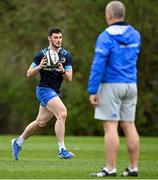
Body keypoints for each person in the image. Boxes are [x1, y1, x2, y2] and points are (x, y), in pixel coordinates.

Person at [88, 1, 141, 177]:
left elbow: (98, 65)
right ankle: (133, 168)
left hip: (111, 84)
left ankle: (110, 168)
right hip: (131, 85)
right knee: (129, 125)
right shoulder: (135, 35)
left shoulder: (105, 36)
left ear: (109, 15)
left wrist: (92, 90)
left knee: (111, 126)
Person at [11, 27, 74, 160]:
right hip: (44, 89)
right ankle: (62, 150)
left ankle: (18, 142)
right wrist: (39, 67)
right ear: (49, 38)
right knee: (62, 113)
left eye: (60, 37)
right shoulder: (41, 54)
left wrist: (62, 71)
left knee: (40, 122)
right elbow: (29, 74)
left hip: (55, 92)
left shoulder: (66, 55)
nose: (58, 40)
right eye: (55, 37)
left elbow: (69, 78)